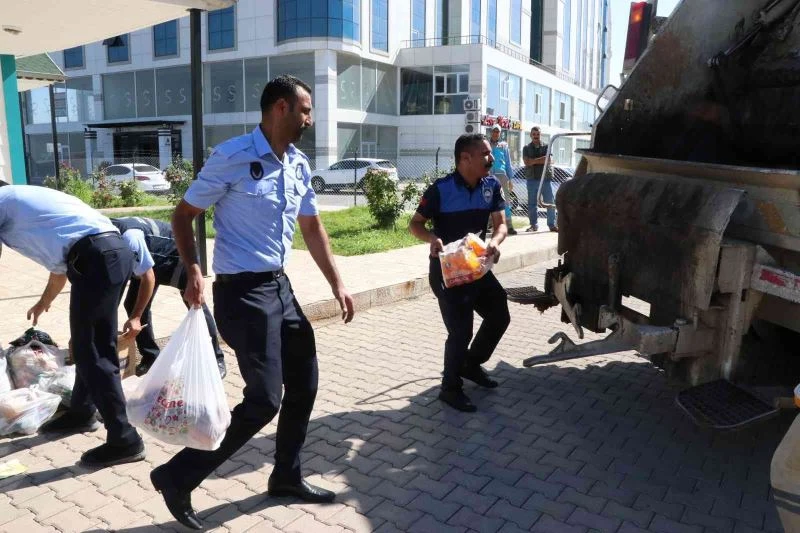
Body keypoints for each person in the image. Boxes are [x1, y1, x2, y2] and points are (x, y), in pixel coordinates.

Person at [150, 75, 355, 530]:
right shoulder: (234, 156)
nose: (310, 119)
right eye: (305, 110)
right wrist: (194, 270)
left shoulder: (299, 164)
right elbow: (184, 215)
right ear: (280, 108)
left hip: (281, 289)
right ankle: (176, 476)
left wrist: (337, 283)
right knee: (264, 399)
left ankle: (286, 476)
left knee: (305, 382)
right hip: (242, 294)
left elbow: (312, 229)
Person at [0, 181, 146, 467]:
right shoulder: (27, 205)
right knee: (87, 345)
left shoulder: (4, 199)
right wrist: (44, 302)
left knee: (94, 351)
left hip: (97, 258)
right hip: (105, 255)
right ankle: (81, 413)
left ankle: (124, 439)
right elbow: (60, 270)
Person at [408, 133, 511, 413]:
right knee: (460, 330)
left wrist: (494, 242)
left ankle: (470, 363)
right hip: (447, 271)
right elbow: (415, 224)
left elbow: (501, 224)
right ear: (465, 158)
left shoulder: (491, 185)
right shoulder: (441, 190)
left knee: (499, 313)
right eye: (485, 154)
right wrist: (431, 239)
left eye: (490, 154)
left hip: (475, 267)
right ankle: (449, 388)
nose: (491, 159)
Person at [111, 216, 227, 378]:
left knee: (194, 302)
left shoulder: (130, 238)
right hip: (152, 256)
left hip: (177, 253)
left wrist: (136, 318)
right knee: (133, 304)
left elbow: (148, 277)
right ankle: (151, 357)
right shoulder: (107, 235)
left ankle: (216, 358)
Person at [522, 126, 557, 232]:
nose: (536, 136)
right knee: (532, 203)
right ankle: (534, 225)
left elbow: (549, 160)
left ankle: (552, 225)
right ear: (531, 135)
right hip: (532, 180)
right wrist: (541, 160)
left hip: (545, 180)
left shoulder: (546, 146)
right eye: (534, 134)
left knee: (550, 202)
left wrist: (533, 161)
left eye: (538, 134)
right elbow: (526, 162)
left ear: (540, 135)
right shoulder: (526, 148)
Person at [488, 124, 517, 235]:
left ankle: (509, 226)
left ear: (500, 133)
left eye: (498, 131)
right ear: (491, 132)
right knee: (488, 200)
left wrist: (510, 179)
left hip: (502, 176)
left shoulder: (504, 146)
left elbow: (508, 163)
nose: (496, 133)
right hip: (489, 176)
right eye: (494, 131)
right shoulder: (487, 144)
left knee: (505, 201)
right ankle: (490, 225)